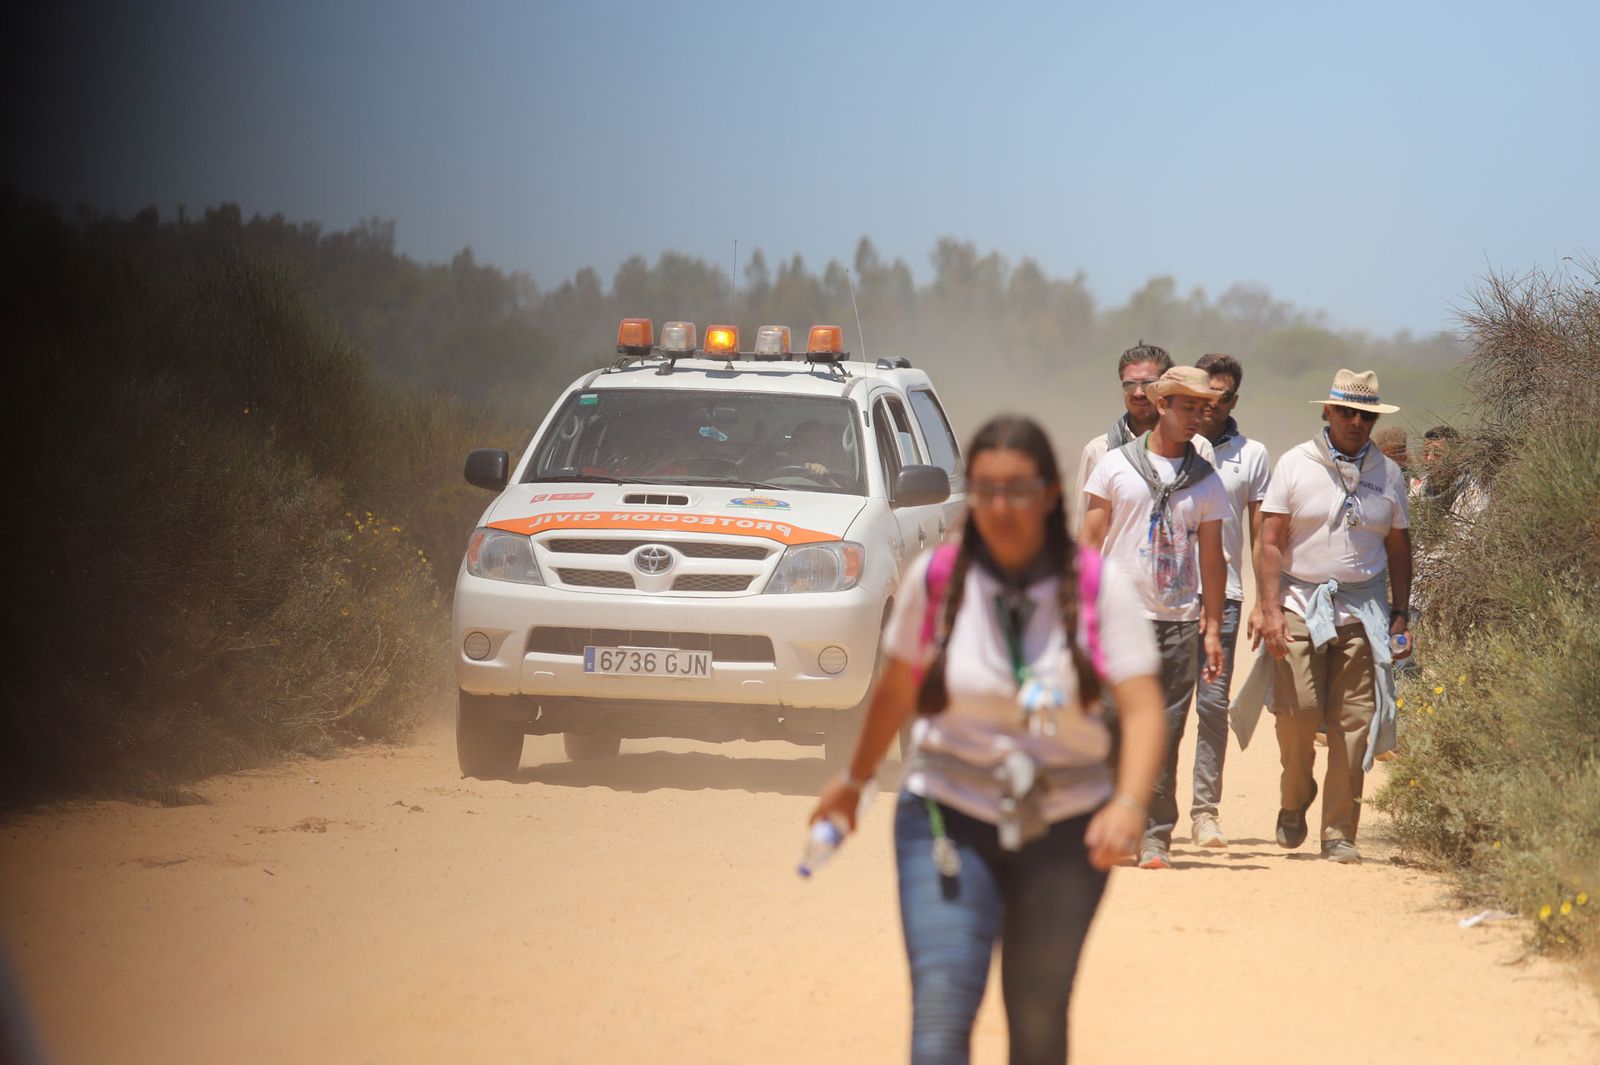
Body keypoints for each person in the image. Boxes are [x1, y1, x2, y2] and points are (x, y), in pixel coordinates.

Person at [810, 415, 1165, 1065]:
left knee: (1036, 1017)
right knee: (942, 1013)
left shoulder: (1096, 585)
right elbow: (895, 688)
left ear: (1052, 492)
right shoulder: (938, 580)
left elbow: (1143, 708)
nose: (1000, 506)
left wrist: (1129, 804)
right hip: (946, 810)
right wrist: (855, 778)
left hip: (1065, 825)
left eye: (1018, 489)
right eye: (985, 490)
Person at [1243, 368, 1413, 865]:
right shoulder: (1295, 464)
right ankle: (1295, 797)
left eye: (1366, 415)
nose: (1356, 422)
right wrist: (1268, 607)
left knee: (1353, 722)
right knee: (1296, 714)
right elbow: (1269, 541)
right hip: (1299, 605)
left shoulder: (1389, 474)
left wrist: (1399, 611)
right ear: (1327, 412)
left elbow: (1400, 548)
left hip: (1363, 611)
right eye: (1347, 412)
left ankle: (1339, 831)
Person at [1080, 366, 1228, 870]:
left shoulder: (1206, 481)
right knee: (1113, 722)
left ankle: (1155, 836)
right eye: (1187, 407)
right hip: (1119, 617)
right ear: (1161, 405)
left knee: (1166, 731)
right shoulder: (1115, 467)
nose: (1196, 418)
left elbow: (1213, 560)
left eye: (1202, 409)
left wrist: (1211, 630)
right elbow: (1089, 544)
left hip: (1179, 621)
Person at [1184, 353, 1271, 848]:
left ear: (1234, 399)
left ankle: (1204, 811)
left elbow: (1262, 534)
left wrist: (1264, 601)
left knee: (1212, 704)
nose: (1213, 403)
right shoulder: (1172, 445)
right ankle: (1152, 807)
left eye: (1224, 395)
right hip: (1169, 598)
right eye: (1206, 393)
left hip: (1229, 597)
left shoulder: (1253, 455)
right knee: (1163, 705)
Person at [1070, 342, 1214, 534]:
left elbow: (1209, 529)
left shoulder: (1199, 448)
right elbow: (1084, 531)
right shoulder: (1099, 451)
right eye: (1129, 385)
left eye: (1147, 384)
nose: (1138, 393)